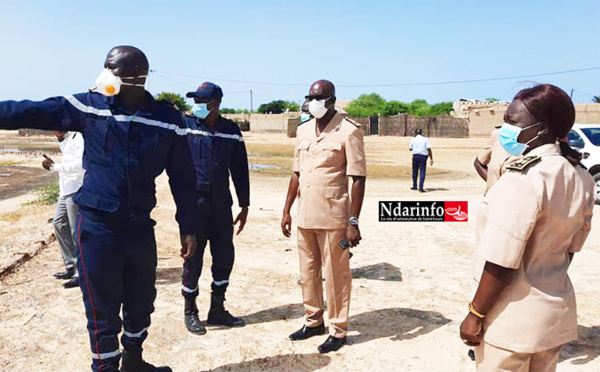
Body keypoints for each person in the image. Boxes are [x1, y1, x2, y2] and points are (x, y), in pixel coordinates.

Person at [0, 45, 198, 372]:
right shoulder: (88, 107)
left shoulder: (166, 120)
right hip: (97, 227)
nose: (103, 74)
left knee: (141, 301)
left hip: (138, 227)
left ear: (135, 77)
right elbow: (28, 110)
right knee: (101, 309)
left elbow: (183, 179)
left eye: (111, 68)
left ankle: (134, 361)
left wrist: (188, 226)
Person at [459, 84, 595, 371]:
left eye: (512, 121)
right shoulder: (581, 178)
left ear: (541, 129)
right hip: (551, 316)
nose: (505, 128)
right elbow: (570, 251)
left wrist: (475, 313)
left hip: (510, 320)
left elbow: (500, 262)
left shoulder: (523, 178)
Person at [281, 80, 366, 354]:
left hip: (333, 217)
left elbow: (358, 179)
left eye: (318, 97)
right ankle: (313, 320)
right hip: (305, 215)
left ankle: (338, 329)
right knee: (308, 273)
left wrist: (353, 221)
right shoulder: (304, 129)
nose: (313, 101)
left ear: (331, 99)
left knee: (336, 275)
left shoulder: (349, 131)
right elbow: (297, 172)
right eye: (310, 97)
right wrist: (286, 210)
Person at [181, 82, 249, 335]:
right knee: (192, 258)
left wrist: (245, 204)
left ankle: (217, 309)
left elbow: (240, 169)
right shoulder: (185, 126)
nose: (196, 105)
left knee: (223, 256)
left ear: (216, 103)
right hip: (194, 206)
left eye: (201, 101)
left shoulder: (230, 130)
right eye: (195, 100)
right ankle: (190, 311)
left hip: (221, 205)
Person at [43, 131, 85, 289]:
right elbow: (68, 154)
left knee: (77, 232)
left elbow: (81, 165)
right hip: (65, 189)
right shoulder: (68, 137)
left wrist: (54, 167)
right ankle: (71, 266)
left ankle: (81, 273)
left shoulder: (79, 136)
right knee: (58, 224)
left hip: (76, 188)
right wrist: (60, 138)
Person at [473, 127, 517, 195]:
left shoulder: (536, 143)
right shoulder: (498, 135)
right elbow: (478, 162)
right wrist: (494, 183)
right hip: (493, 198)